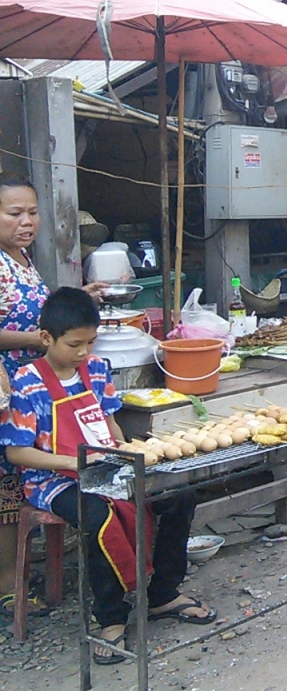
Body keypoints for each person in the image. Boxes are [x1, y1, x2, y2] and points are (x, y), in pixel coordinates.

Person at [0, 288, 213, 663]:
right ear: (46, 338)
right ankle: (111, 617)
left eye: (90, 343)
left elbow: (109, 424)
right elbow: (17, 452)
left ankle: (163, 593)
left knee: (178, 495)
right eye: (74, 344)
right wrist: (73, 463)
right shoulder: (27, 382)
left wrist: (122, 451)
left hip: (105, 466)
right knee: (99, 517)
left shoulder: (97, 370)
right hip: (54, 481)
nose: (83, 352)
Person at [0, 174, 106, 618]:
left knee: (17, 485)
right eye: (14, 213)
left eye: (32, 212)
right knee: (7, 488)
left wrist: (75, 303)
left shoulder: (22, 259)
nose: (27, 222)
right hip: (8, 387)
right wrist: (41, 339)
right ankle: (9, 586)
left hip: (39, 384)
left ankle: (21, 576)